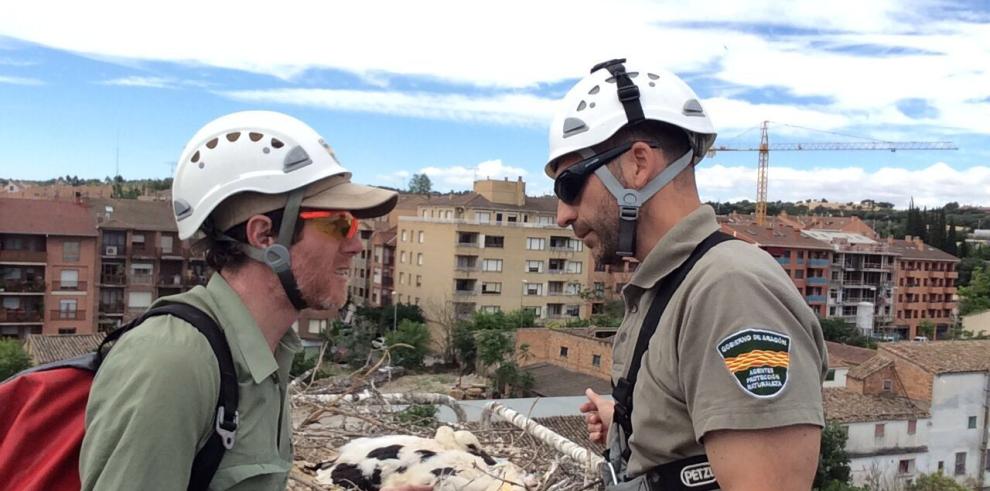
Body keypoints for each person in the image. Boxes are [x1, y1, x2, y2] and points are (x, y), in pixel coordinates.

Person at [545, 60, 828, 490]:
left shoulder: (731, 290)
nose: (562, 215)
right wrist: (635, 422)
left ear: (638, 164)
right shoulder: (670, 285)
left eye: (568, 185)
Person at [80, 111, 400, 490]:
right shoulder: (172, 363)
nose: (356, 244)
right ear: (265, 236)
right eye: (338, 224)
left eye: (356, 225)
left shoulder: (262, 356)